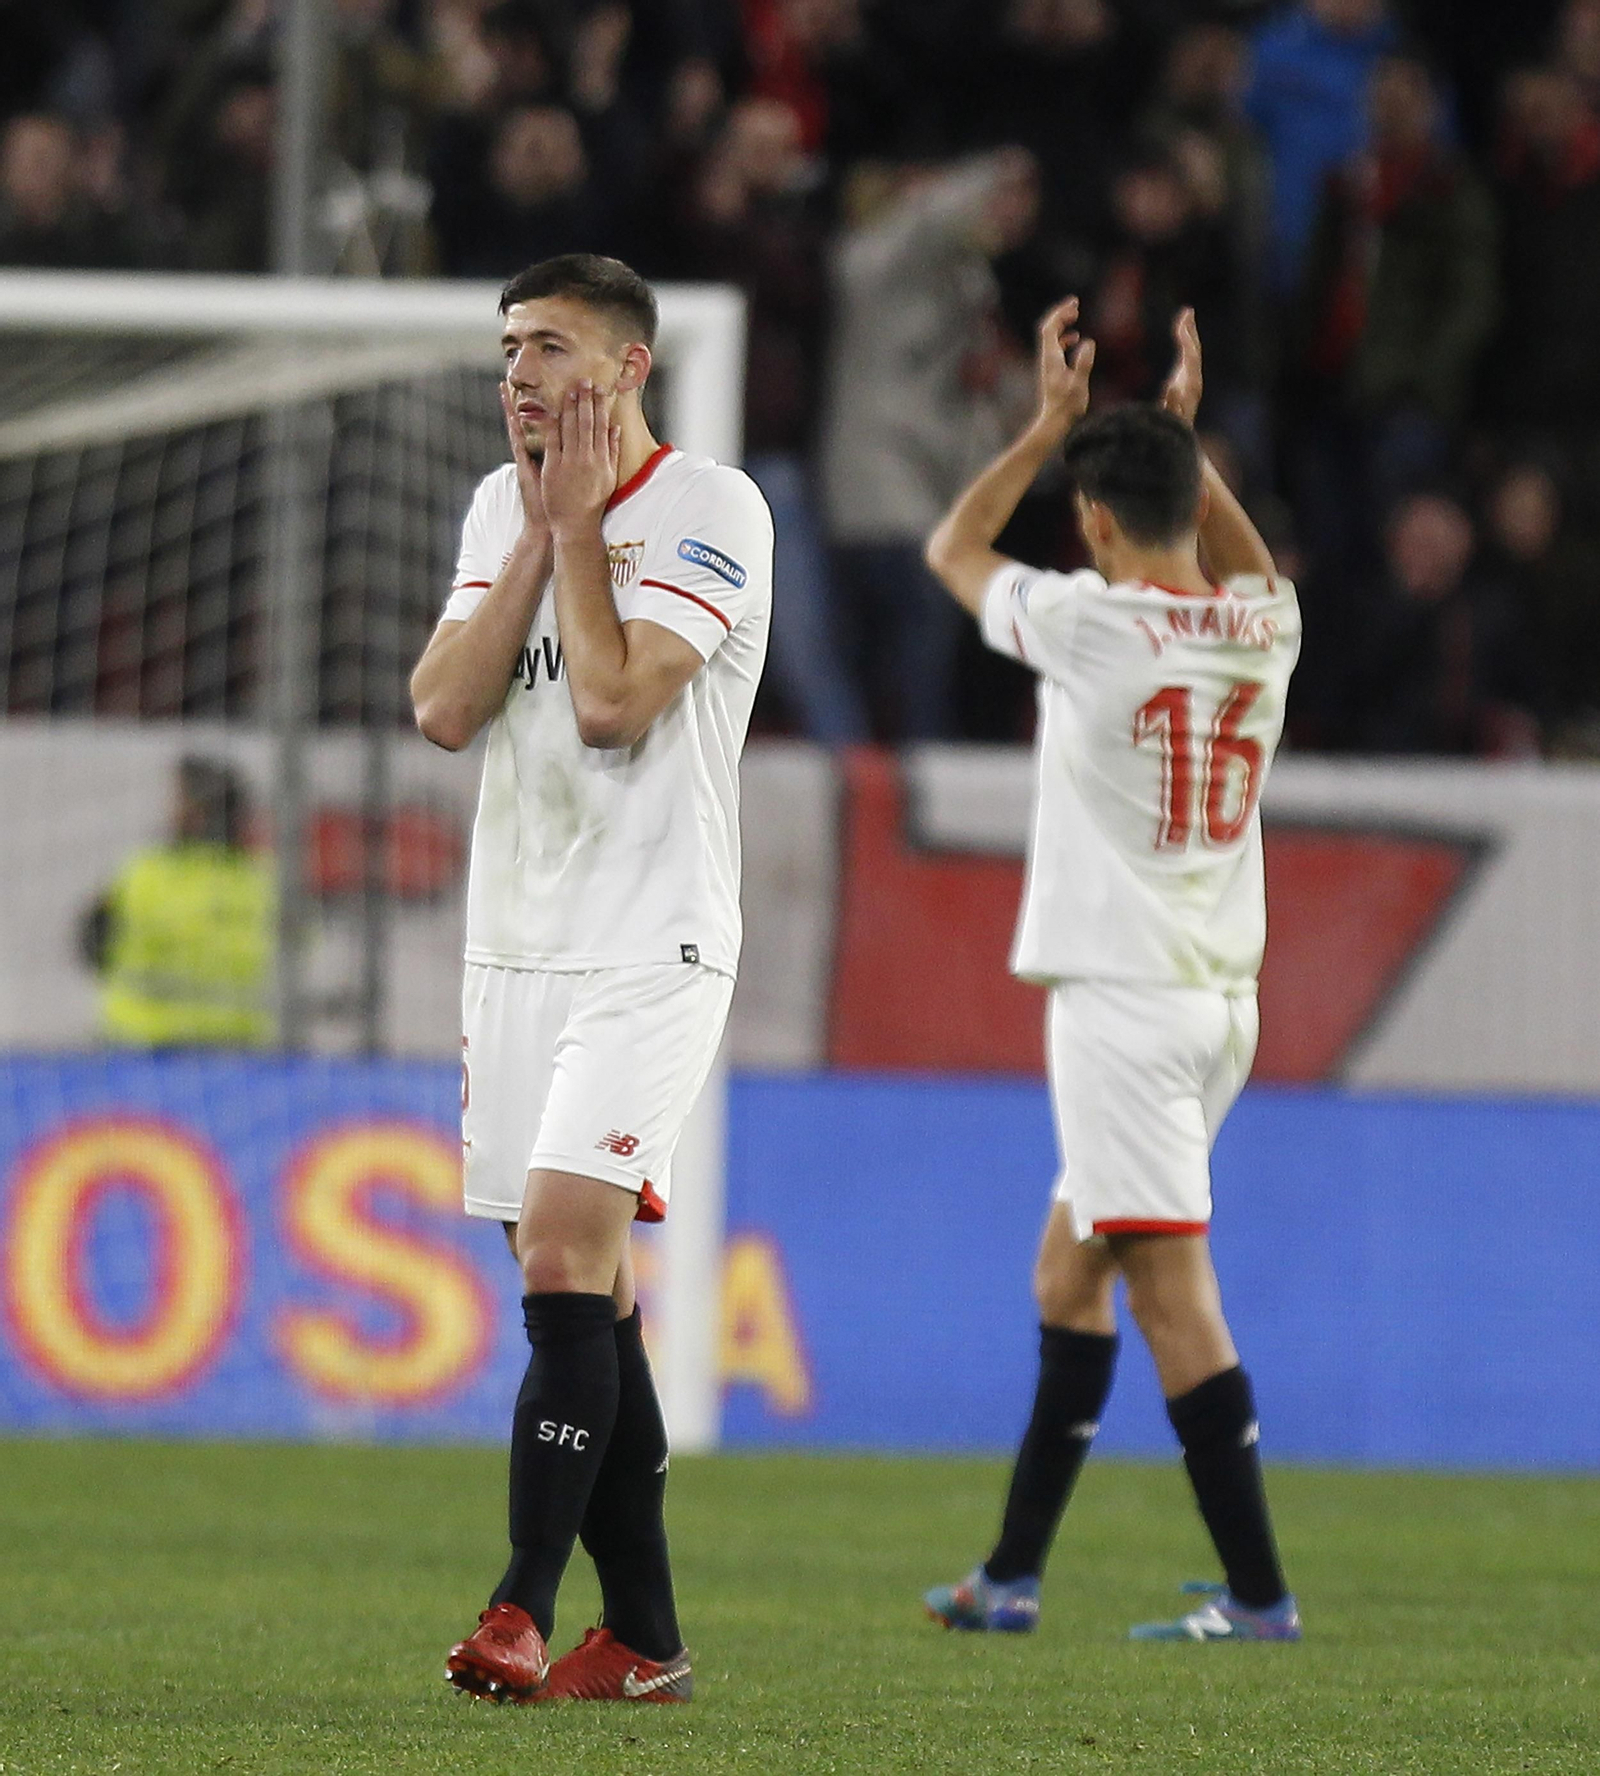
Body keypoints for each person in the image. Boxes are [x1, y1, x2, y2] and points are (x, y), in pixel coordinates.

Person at [410, 253, 772, 1702]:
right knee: (581, 1296)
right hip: (516, 946)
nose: (520, 376)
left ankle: (518, 1608)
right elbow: (445, 709)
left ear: (629, 367)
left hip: (652, 939)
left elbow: (616, 703)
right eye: (510, 349)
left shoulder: (711, 507)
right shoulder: (498, 507)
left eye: (551, 347)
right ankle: (646, 1643)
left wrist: (575, 533)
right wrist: (535, 534)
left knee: (565, 1255)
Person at [920, 300, 1304, 1641]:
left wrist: (1046, 426)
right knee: (1069, 1277)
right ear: (1193, 501)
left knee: (1169, 1297)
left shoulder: (1087, 624)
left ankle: (1258, 1596)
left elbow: (952, 547)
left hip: (1125, 1009)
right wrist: (1184, 446)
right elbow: (1246, 564)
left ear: (1091, 522)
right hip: (1221, 1007)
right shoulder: (1266, 628)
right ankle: (1008, 1578)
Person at [79, 756, 274, 1048]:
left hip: (141, 1044)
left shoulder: (144, 872)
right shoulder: (261, 879)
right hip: (235, 1048)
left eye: (180, 800)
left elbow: (91, 946)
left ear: (200, 811)